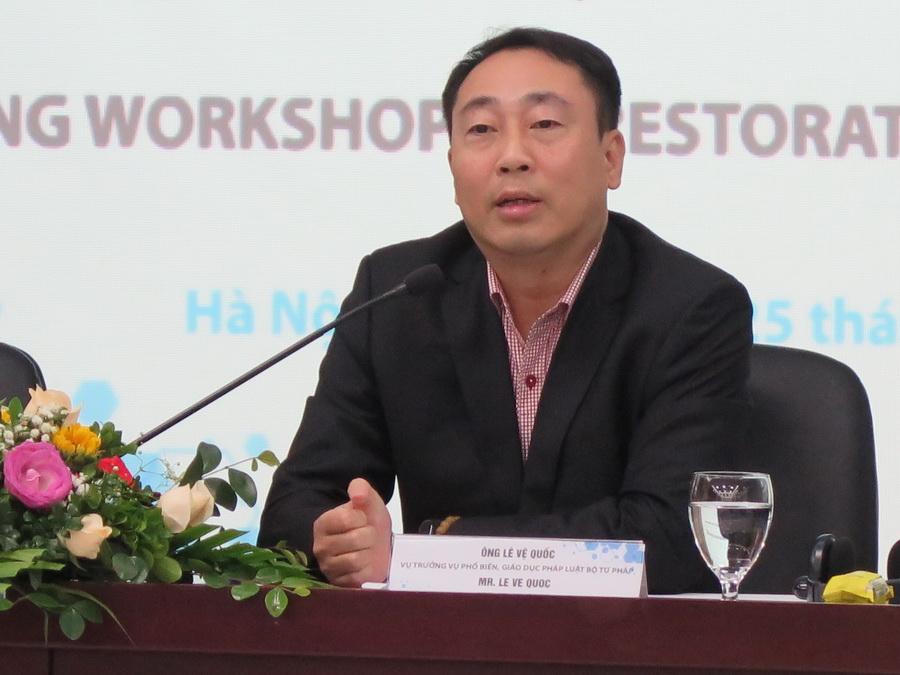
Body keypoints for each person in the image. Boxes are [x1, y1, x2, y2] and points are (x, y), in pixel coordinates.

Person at [259, 27, 752, 594]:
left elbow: (671, 539)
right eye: (481, 130)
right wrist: (336, 540)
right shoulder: (397, 293)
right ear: (453, 167)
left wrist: (429, 548)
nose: (512, 157)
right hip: (437, 639)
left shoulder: (690, 305)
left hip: (618, 638)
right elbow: (294, 512)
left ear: (610, 158)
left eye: (544, 125)